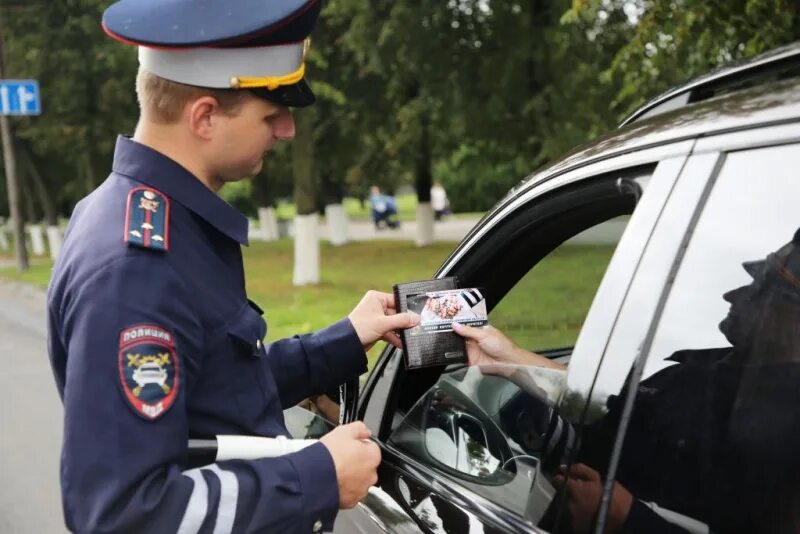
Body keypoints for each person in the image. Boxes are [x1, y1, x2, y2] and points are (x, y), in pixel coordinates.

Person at [45, 1, 420, 532]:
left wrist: (345, 339)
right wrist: (318, 475)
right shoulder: (137, 268)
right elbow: (124, 512)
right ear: (204, 117)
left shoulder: (159, 222)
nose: (287, 129)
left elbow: (212, 391)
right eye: (271, 113)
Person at [452, 229, 800, 533]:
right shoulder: (715, 368)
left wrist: (627, 519)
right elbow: (613, 409)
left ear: (793, 319)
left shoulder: (786, 426)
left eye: (758, 290)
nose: (732, 295)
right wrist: (507, 358)